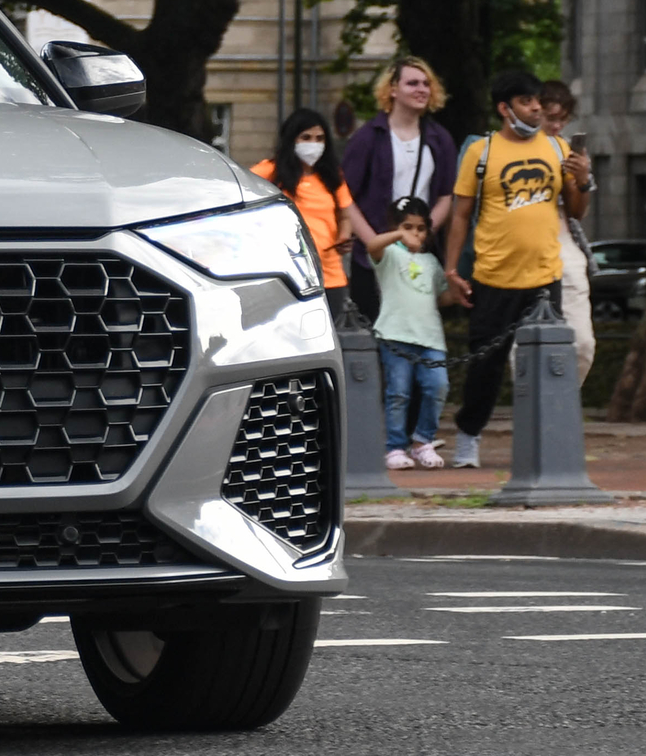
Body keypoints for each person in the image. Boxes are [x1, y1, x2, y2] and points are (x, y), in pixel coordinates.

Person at [442, 68, 591, 468]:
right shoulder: (482, 152)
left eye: (538, 101)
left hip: (545, 278)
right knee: (484, 366)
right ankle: (469, 436)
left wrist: (583, 180)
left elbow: (575, 212)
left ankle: (547, 440)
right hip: (493, 277)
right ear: (505, 109)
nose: (537, 107)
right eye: (527, 102)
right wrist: (452, 270)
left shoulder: (558, 149)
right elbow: (460, 216)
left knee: (548, 362)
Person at [341, 57, 460, 319]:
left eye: (426, 84)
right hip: (373, 257)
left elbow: (445, 196)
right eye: (412, 83)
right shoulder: (368, 137)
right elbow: (345, 195)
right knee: (374, 329)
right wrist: (373, 241)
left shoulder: (440, 139)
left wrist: (420, 234)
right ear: (392, 89)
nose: (422, 89)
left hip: (419, 254)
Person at [357, 195, 449, 470]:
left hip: (431, 336)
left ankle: (423, 441)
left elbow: (442, 297)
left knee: (437, 386)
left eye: (421, 228)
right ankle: (395, 447)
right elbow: (372, 244)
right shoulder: (389, 255)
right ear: (396, 227)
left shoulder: (432, 262)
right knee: (398, 392)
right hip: (395, 335)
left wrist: (457, 288)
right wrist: (398, 235)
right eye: (408, 227)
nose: (415, 234)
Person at [253, 108, 372, 305]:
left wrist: (344, 235)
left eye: (319, 138)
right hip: (285, 275)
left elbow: (345, 213)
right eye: (306, 137)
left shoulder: (332, 175)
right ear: (291, 139)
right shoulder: (269, 172)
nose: (313, 144)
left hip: (331, 275)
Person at [537, 79, 596, 382]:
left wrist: (581, 179)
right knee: (523, 340)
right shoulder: (505, 148)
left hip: (563, 242)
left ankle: (564, 404)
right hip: (523, 246)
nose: (557, 126)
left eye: (563, 119)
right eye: (551, 118)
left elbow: (578, 212)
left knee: (582, 342)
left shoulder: (565, 150)